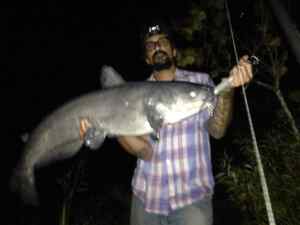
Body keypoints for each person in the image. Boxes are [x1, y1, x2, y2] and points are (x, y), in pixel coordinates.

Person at [80, 20, 253, 225]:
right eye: (151, 45)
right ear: (146, 58)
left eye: (162, 41)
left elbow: (217, 130)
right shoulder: (135, 96)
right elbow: (145, 151)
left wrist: (227, 90)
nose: (157, 46)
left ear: (173, 51)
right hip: (146, 198)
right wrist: (111, 123)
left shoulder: (200, 84)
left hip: (192, 199)